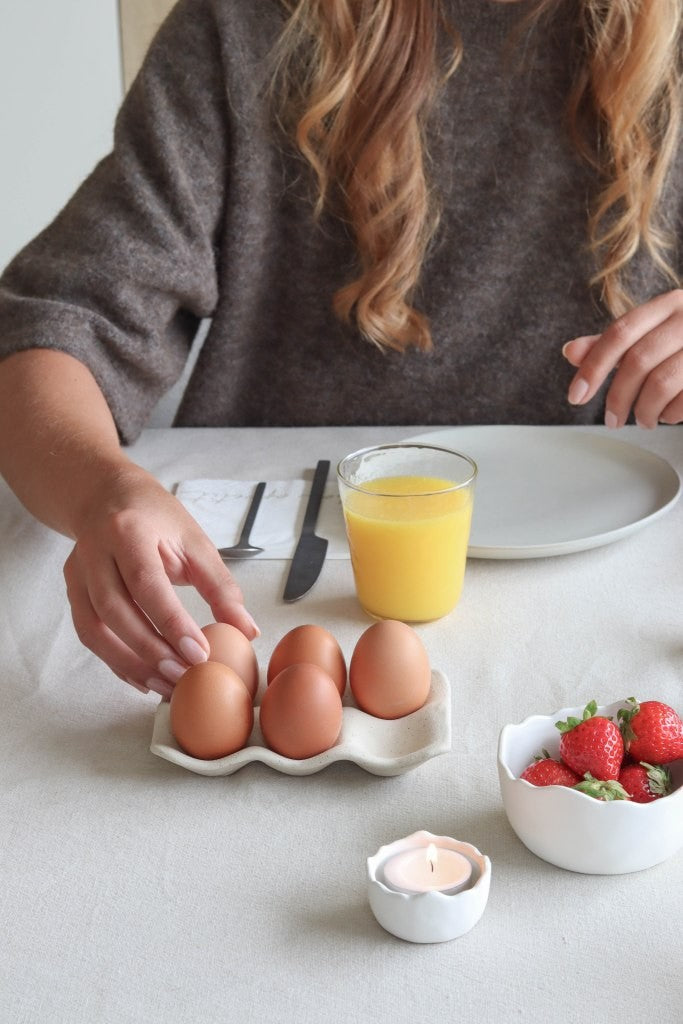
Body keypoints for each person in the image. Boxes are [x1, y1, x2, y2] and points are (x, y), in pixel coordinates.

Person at [0, 0, 681, 699]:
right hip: (287, 593)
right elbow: (52, 325)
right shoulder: (244, 26)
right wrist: (100, 493)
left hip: (623, 595)